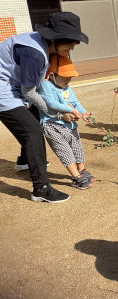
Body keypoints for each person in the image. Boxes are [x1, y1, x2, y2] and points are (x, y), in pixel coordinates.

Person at [0, 11, 89, 202]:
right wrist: (57, 114)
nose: (71, 49)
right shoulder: (34, 54)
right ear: (57, 39)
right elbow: (30, 93)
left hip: (14, 86)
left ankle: (25, 160)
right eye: (70, 44)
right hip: (4, 90)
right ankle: (41, 188)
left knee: (32, 119)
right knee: (32, 131)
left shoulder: (41, 44)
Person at [40, 54, 94, 189]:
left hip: (70, 125)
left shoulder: (67, 88)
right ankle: (77, 177)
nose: (67, 80)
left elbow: (75, 102)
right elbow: (51, 103)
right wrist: (69, 110)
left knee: (77, 148)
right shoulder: (46, 85)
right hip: (52, 126)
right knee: (65, 152)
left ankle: (82, 170)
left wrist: (82, 112)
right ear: (52, 74)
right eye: (64, 77)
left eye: (70, 77)